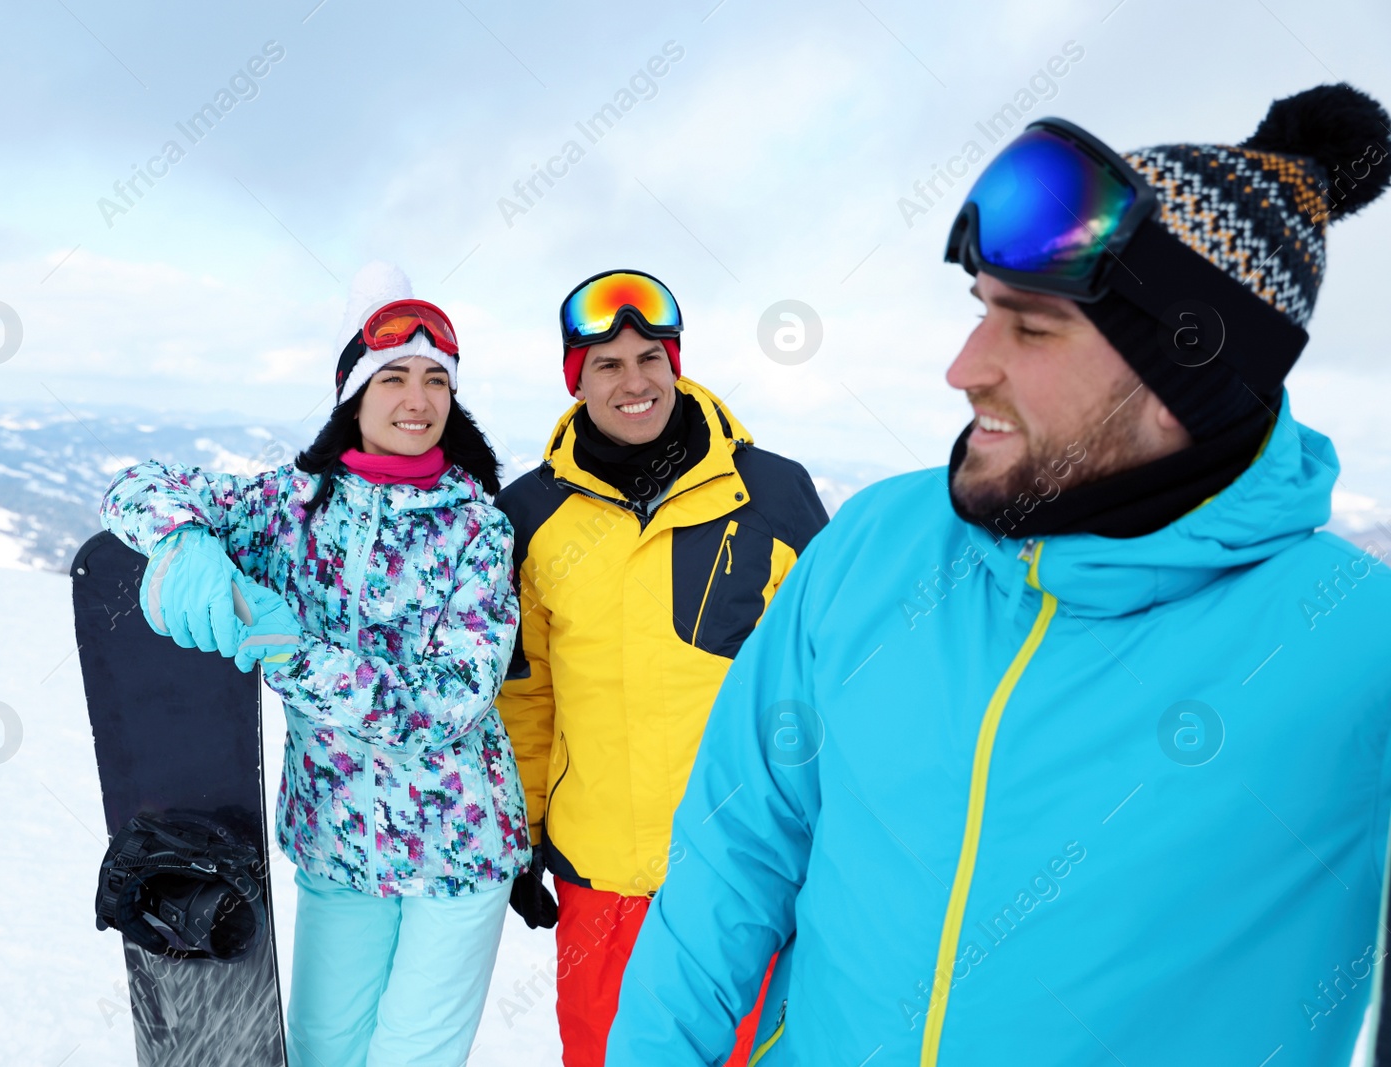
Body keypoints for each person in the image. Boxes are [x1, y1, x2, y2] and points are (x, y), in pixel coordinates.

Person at [607, 84, 1391, 1065]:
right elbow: (736, 852)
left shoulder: (1357, 645)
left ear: (1188, 372)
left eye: (1030, 327)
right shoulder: (878, 542)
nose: (963, 365)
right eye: (982, 311)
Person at [99, 262, 529, 1067]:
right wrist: (185, 538)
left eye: (436, 379)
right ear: (352, 395)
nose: (418, 398)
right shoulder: (286, 508)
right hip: (337, 841)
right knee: (325, 1052)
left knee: (410, 1057)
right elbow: (132, 487)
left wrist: (295, 654)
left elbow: (448, 707)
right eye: (394, 375)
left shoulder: (478, 527)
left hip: (461, 847)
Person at [494, 269, 828, 1066]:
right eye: (607, 364)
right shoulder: (532, 515)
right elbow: (527, 694)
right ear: (577, 381)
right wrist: (524, 834)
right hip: (599, 877)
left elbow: (827, 683)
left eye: (650, 356)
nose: (633, 381)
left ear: (675, 362)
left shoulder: (771, 494)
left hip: (744, 872)